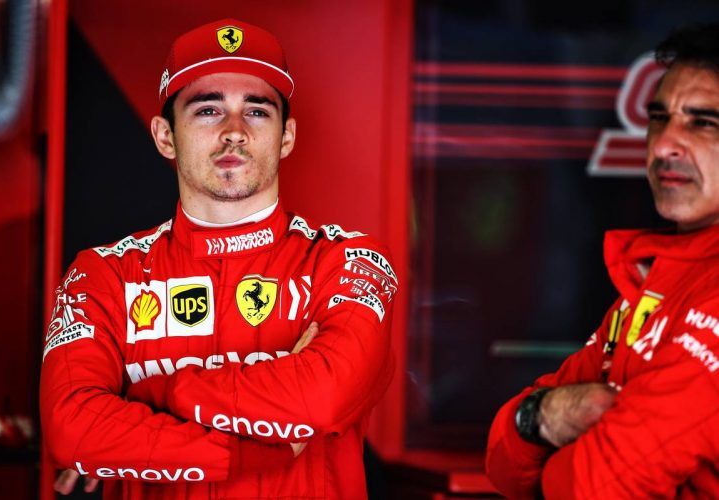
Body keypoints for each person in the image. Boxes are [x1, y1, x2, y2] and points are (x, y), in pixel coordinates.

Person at [40, 18, 398, 499]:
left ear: (286, 136)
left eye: (257, 111)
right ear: (165, 136)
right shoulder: (103, 274)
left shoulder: (347, 261)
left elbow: (325, 398)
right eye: (208, 110)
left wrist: (149, 393)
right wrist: (245, 453)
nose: (234, 132)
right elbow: (71, 430)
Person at [486, 23, 719, 499]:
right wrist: (541, 415)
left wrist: (555, 450)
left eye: (703, 122)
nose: (663, 144)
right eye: (659, 117)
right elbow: (503, 464)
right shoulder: (653, 285)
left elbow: (597, 484)